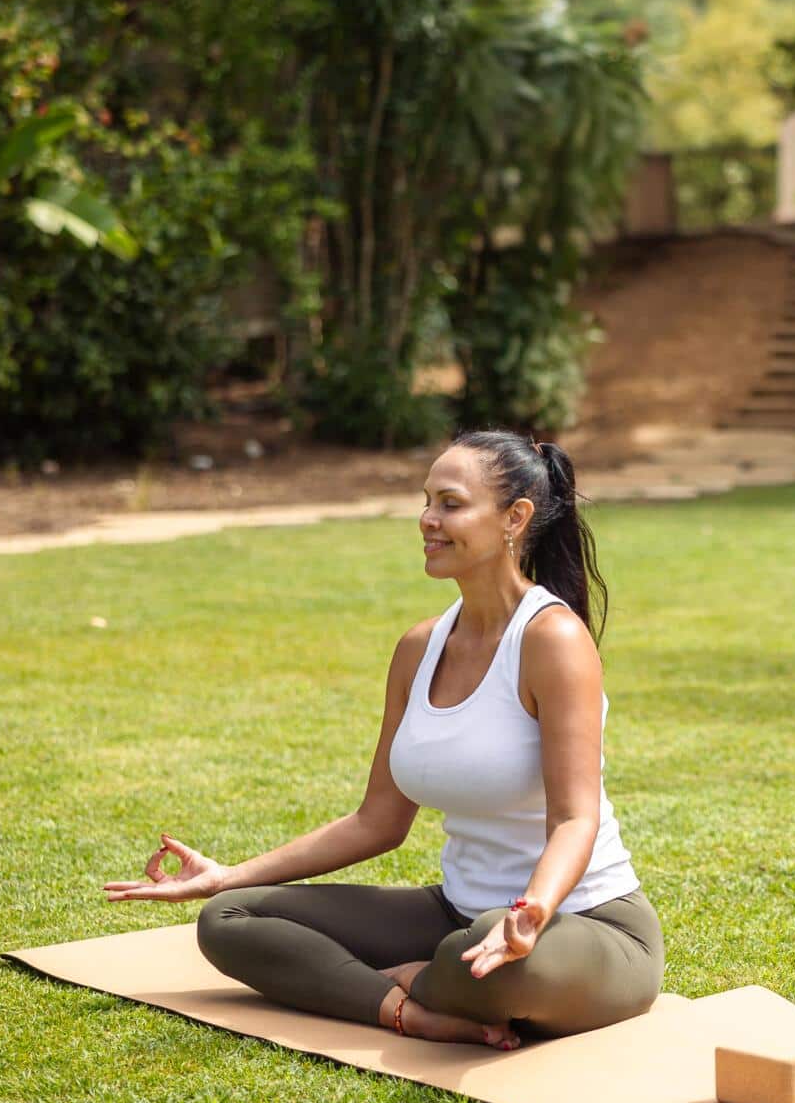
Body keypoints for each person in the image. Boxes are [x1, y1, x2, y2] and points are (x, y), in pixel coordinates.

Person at [104, 432, 660, 1051]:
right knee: (230, 921)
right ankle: (412, 1010)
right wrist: (228, 876)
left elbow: (576, 819)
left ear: (515, 519)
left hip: (583, 924)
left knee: (486, 957)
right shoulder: (419, 648)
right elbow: (378, 821)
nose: (427, 520)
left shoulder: (552, 639)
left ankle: (413, 979)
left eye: (450, 504)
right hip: (458, 915)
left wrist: (530, 911)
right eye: (425, 502)